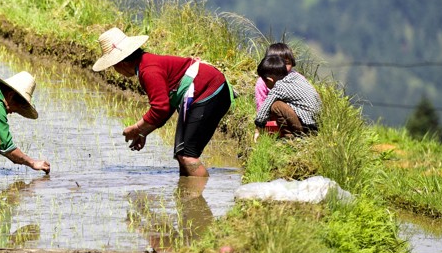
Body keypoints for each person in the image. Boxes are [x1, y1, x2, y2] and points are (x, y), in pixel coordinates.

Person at [92, 27, 233, 178]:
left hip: (210, 90)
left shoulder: (148, 70)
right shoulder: (145, 64)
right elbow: (168, 104)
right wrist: (143, 132)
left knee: (188, 156)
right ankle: (186, 195)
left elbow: (160, 108)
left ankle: (196, 200)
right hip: (205, 91)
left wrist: (137, 127)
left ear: (120, 63)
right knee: (181, 154)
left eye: (113, 66)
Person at [253, 54, 322, 137]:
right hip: (317, 123)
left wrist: (258, 128)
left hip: (307, 127)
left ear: (269, 80)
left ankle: (289, 136)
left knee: (276, 106)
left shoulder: (279, 86)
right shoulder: (296, 76)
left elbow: (264, 109)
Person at [254, 42, 299, 136]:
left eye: (287, 63)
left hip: (296, 118)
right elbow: (261, 107)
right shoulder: (262, 82)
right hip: (272, 120)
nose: (283, 68)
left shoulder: (296, 78)